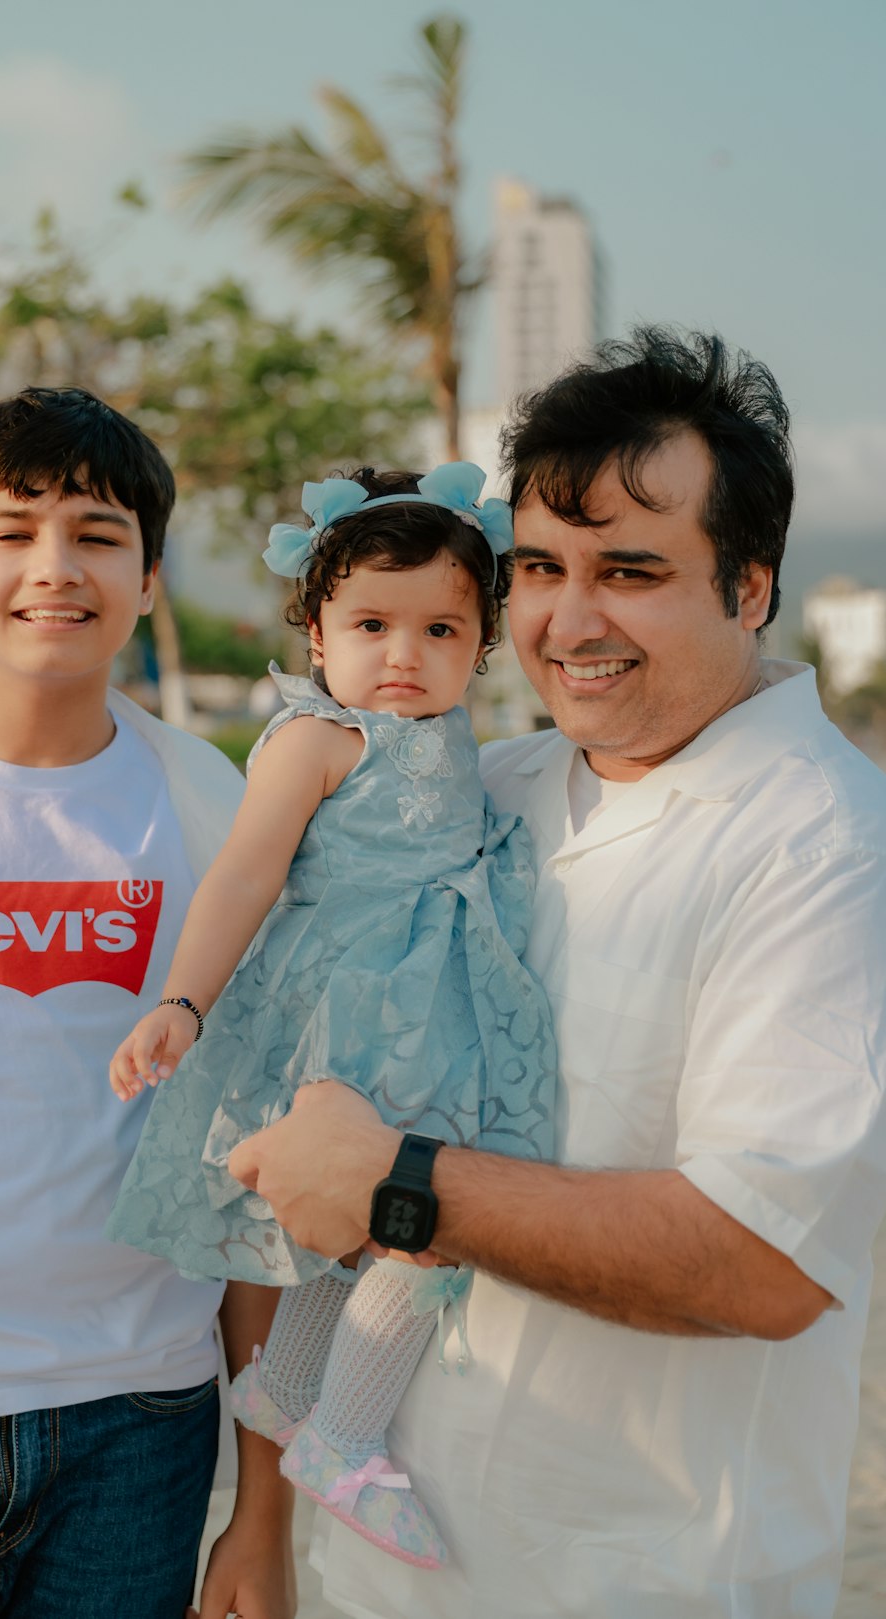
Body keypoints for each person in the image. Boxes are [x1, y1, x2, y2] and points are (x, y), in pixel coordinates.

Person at [226, 329, 886, 1619]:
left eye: (631, 571)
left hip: (647, 1583)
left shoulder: (821, 842)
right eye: (539, 567)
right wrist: (259, 1522)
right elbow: (307, 1119)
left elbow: (765, 1260)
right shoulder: (475, 790)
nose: (567, 620)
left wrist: (401, 1185)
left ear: (750, 586)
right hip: (368, 1579)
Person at [0, 387, 294, 1619]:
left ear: (148, 578)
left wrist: (264, 1509)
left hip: (136, 1426)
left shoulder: (220, 822)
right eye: (15, 530)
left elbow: (254, 1165)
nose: (54, 567)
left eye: (98, 532)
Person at [107, 463, 556, 1570]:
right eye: (371, 624)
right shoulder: (317, 739)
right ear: (316, 632)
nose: (404, 655)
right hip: (347, 1017)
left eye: (441, 627)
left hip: (427, 1010)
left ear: (482, 643)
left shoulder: (462, 739)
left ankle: (290, 1388)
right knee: (421, 1223)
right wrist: (182, 1000)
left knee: (362, 1235)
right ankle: (346, 1439)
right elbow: (244, 878)